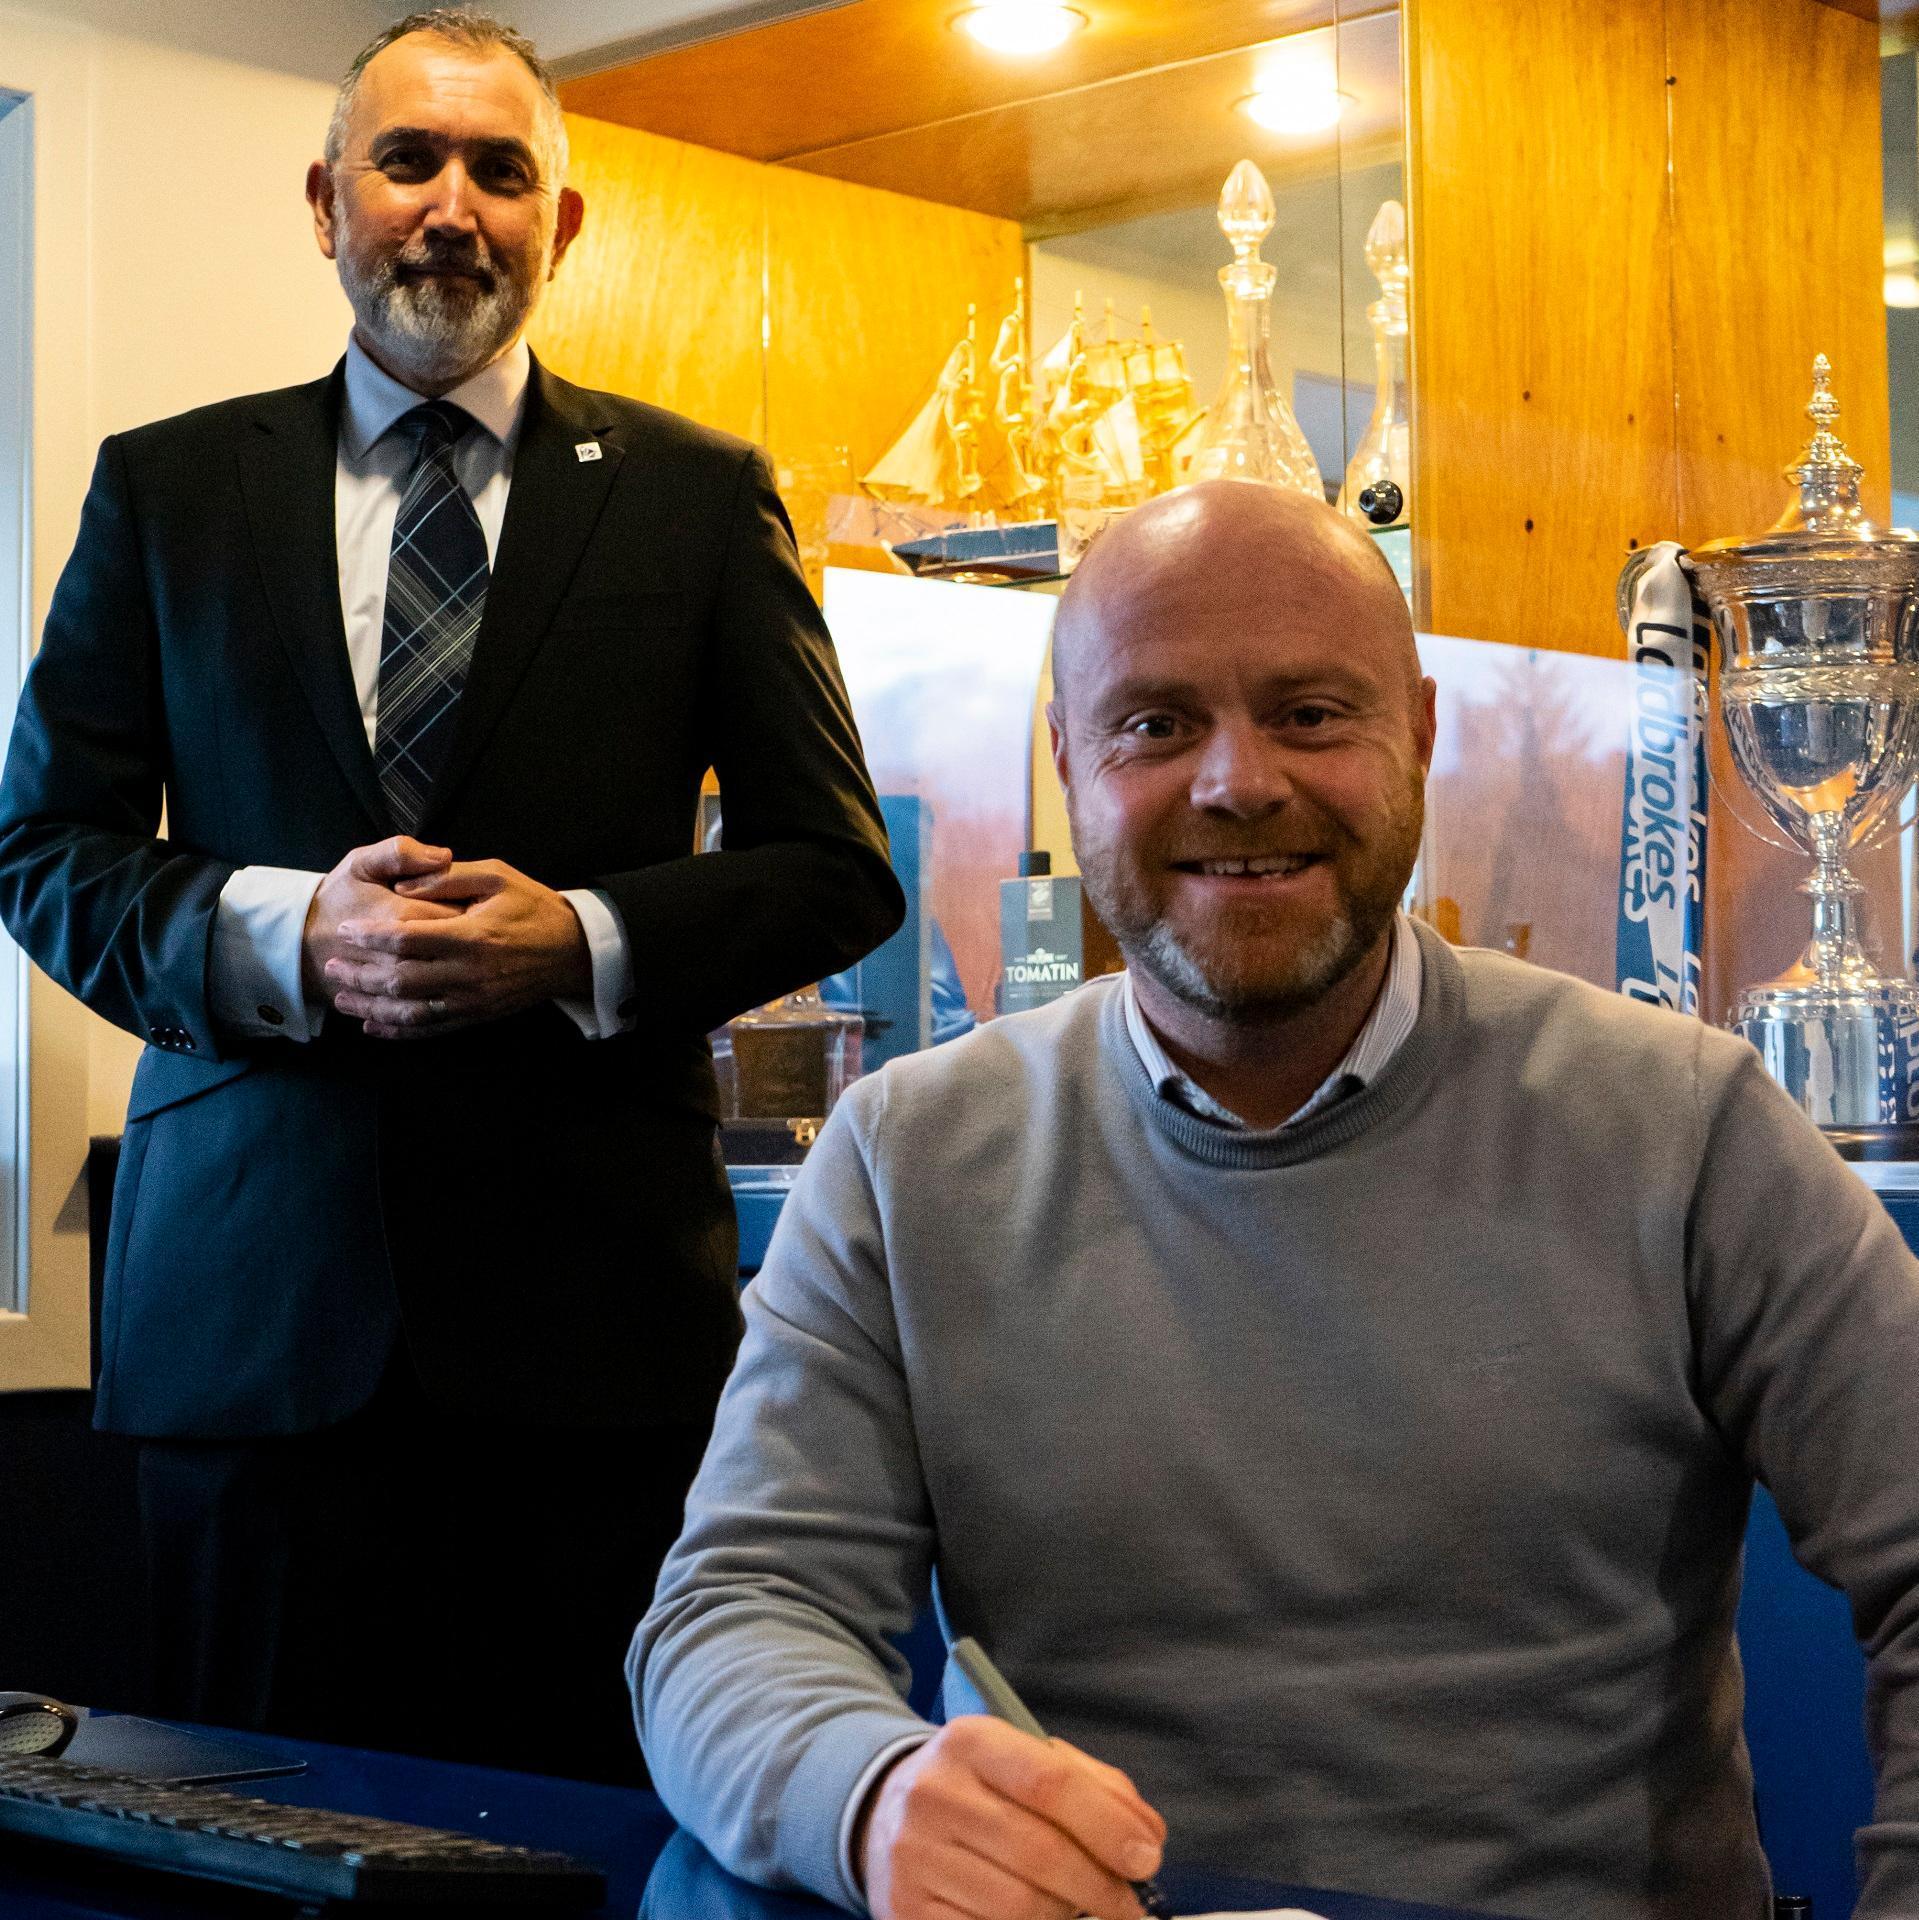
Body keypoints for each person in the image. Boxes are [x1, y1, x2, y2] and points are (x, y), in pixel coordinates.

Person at [631, 480, 1919, 1919]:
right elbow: (737, 1615)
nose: (1238, 782)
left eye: (1311, 714)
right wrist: (864, 1797)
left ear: (1420, 738)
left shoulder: (1685, 1128)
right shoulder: (902, 1160)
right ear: (1070, 761)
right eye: (1158, 723)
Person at [0, 9, 901, 1782]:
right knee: (241, 1850)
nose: (452, 207)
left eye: (503, 170)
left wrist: (588, 937)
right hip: (243, 1338)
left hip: (593, 1351)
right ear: (328, 197)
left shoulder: (701, 502)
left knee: (585, 1851)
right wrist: (285, 934)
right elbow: (45, 851)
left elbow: (832, 864)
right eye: (410, 162)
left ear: (562, 227)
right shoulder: (168, 490)